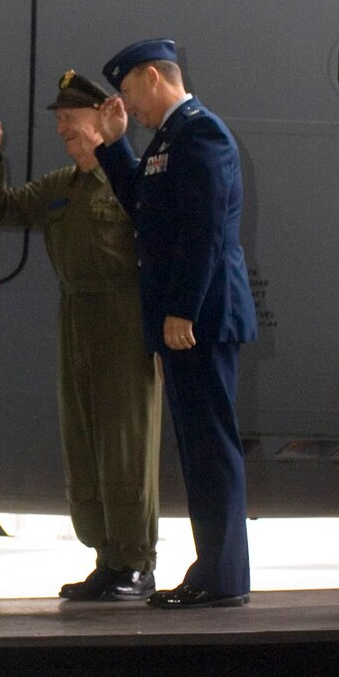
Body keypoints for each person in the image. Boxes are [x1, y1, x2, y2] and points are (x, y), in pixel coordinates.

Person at [0, 71, 161, 601]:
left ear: (105, 118)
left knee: (125, 446)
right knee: (85, 442)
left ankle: (136, 563)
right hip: (75, 316)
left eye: (70, 119)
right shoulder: (61, 187)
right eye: (58, 121)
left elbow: (168, 246)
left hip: (124, 317)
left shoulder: (132, 181)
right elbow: (1, 209)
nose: (62, 130)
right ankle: (107, 557)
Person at [93, 39, 258, 609]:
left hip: (202, 318)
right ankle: (212, 568)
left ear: (154, 77)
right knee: (197, 449)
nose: (126, 101)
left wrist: (182, 310)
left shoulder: (201, 133)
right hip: (184, 319)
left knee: (211, 447)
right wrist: (115, 146)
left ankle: (224, 575)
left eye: (128, 88)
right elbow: (144, 206)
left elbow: (204, 231)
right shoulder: (169, 139)